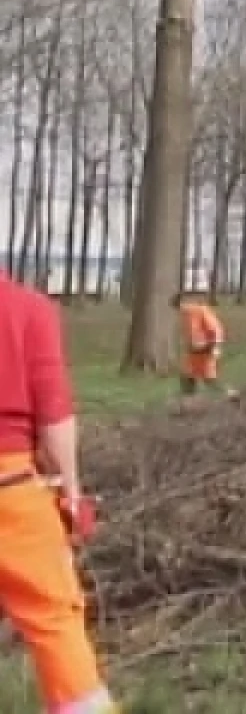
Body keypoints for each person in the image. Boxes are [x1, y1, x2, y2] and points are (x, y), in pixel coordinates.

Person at [0, 271, 115, 712]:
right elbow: (54, 412)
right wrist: (70, 489)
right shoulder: (30, 309)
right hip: (12, 491)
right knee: (54, 621)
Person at [173, 292, 230, 398]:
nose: (181, 307)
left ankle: (231, 395)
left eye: (182, 304)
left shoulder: (202, 311)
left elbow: (217, 329)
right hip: (194, 352)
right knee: (186, 376)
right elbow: (191, 333)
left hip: (207, 351)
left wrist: (216, 346)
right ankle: (189, 402)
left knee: (210, 380)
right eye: (179, 305)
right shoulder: (186, 314)